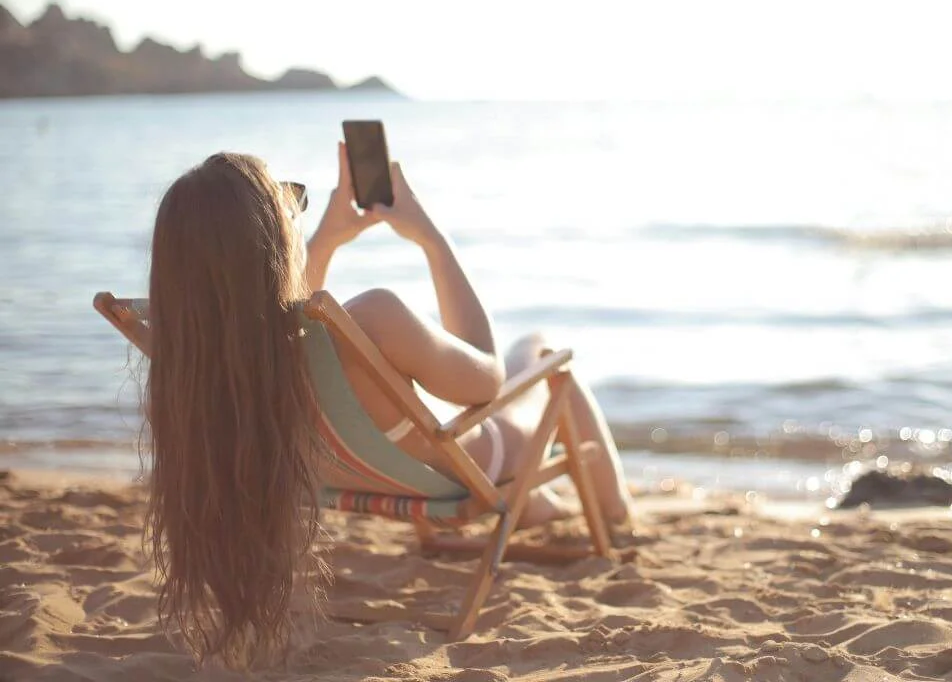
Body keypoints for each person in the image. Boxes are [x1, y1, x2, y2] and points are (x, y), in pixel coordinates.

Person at [143, 145, 632, 667]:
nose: (299, 216)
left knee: (529, 438)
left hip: (376, 473)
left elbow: (280, 312)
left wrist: (327, 237)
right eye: (293, 205)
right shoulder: (375, 319)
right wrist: (430, 238)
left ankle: (546, 504)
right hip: (475, 465)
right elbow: (486, 382)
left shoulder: (209, 363)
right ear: (274, 238)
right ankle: (617, 515)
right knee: (539, 354)